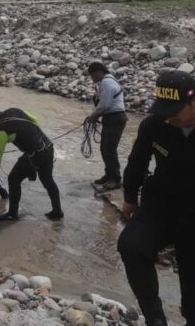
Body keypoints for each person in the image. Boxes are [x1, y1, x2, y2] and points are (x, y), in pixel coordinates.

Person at [118, 70, 195, 326]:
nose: (169, 118)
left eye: (175, 111)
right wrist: (129, 197)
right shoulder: (155, 124)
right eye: (164, 110)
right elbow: (137, 161)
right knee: (131, 245)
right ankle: (155, 318)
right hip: (161, 202)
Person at [0, 105, 63, 221]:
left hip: (35, 154)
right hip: (47, 147)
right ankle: (57, 211)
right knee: (48, 180)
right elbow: (34, 120)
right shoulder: (14, 110)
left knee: (13, 178)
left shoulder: (1, 132)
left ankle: (12, 214)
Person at [87, 61, 128, 191]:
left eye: (92, 75)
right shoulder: (107, 81)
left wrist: (93, 116)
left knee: (109, 149)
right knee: (105, 148)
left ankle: (115, 179)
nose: (92, 78)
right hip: (111, 118)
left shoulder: (107, 82)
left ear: (99, 72)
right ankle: (109, 175)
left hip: (115, 118)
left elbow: (104, 104)